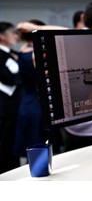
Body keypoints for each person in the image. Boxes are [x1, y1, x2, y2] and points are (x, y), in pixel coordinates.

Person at [17, 1, 92, 152]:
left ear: (83, 17)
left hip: (80, 127)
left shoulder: (69, 40)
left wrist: (37, 29)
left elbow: (63, 33)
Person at [13, 19, 46, 164]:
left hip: (25, 103)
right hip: (36, 105)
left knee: (30, 149)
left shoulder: (21, 51)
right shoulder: (34, 54)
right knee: (38, 148)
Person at [0, 22, 22, 174]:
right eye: (12, 33)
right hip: (6, 108)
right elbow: (10, 78)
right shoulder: (1, 55)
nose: (15, 36)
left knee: (13, 143)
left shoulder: (12, 53)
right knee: (7, 145)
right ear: (2, 36)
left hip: (14, 107)